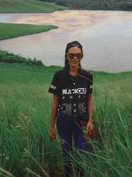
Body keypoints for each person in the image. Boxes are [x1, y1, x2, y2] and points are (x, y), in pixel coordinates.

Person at [48, 41, 94, 177]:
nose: (75, 58)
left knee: (82, 152)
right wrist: (51, 127)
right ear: (66, 56)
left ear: (82, 56)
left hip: (81, 122)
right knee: (66, 153)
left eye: (78, 55)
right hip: (63, 121)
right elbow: (55, 103)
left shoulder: (87, 76)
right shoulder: (58, 76)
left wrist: (90, 120)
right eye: (71, 55)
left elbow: (89, 100)